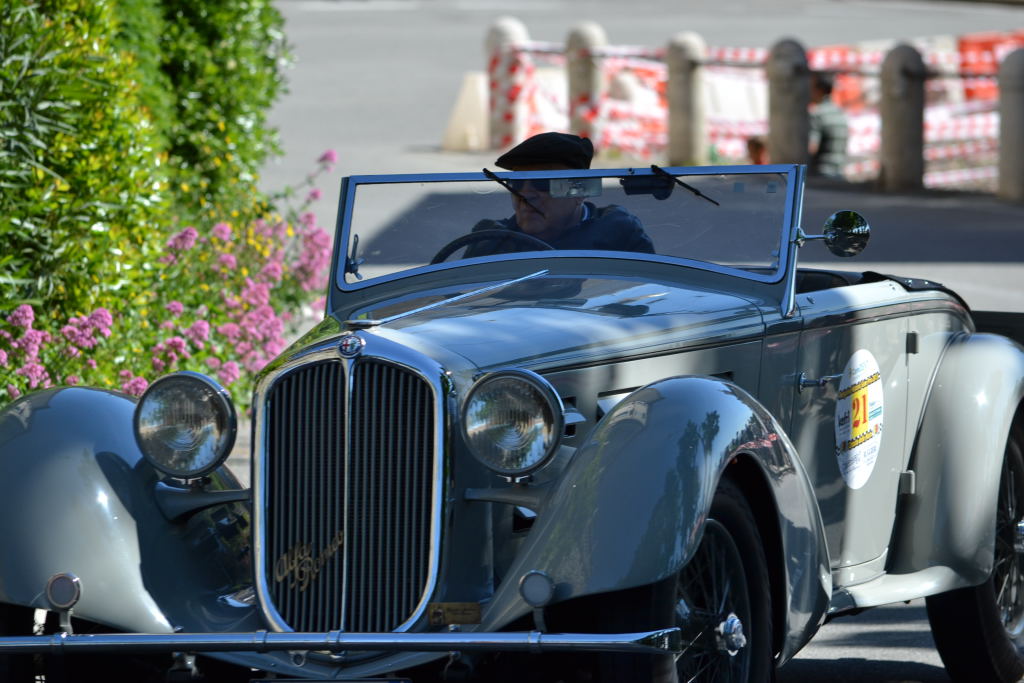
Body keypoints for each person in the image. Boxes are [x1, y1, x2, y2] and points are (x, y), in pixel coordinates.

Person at [463, 132, 654, 257]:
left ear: (579, 191)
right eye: (517, 183)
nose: (526, 194)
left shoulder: (615, 230)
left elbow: (646, 296)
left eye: (543, 182)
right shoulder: (491, 239)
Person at [808, 72, 848, 179]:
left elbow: (812, 147)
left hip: (821, 175)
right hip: (839, 173)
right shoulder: (840, 112)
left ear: (819, 90)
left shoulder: (817, 114)